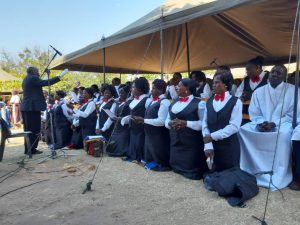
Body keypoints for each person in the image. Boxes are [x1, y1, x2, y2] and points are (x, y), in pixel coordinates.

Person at [239, 65, 294, 190]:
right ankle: (251, 169)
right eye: (273, 71)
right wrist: (261, 122)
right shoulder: (259, 91)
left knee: (283, 135)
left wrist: (274, 123)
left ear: (285, 76)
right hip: (261, 123)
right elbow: (254, 111)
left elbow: (292, 114)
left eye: (279, 73)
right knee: (243, 130)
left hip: (284, 123)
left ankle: (278, 173)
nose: (274, 74)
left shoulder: (293, 90)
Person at [165, 78, 208, 179]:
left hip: (191, 143)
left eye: (180, 86)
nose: (177, 87)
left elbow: (203, 124)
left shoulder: (200, 103)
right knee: (175, 166)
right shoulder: (174, 102)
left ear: (187, 89)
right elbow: (166, 120)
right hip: (175, 142)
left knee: (191, 168)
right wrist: (170, 123)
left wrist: (186, 123)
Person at [202, 70, 242, 172]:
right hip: (212, 147)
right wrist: (208, 144)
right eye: (213, 82)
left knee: (229, 179)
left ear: (226, 84)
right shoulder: (209, 101)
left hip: (229, 147)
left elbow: (234, 126)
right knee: (213, 174)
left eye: (216, 82)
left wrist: (213, 136)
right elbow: (205, 123)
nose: (213, 85)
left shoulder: (236, 102)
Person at [20, 67, 65, 155]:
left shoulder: (27, 79)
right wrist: (59, 76)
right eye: (37, 71)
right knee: (34, 129)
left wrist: (46, 74)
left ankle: (29, 149)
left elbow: (40, 81)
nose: (38, 72)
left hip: (28, 108)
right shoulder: (33, 78)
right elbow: (45, 82)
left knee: (29, 129)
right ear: (33, 72)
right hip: (31, 108)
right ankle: (31, 149)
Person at [134, 79, 171, 170]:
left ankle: (160, 164)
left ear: (161, 89)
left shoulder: (164, 102)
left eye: (153, 88)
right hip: (149, 134)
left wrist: (144, 120)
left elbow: (161, 121)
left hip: (158, 135)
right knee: (149, 155)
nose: (151, 90)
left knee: (158, 154)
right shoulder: (152, 101)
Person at [121, 77, 151, 162]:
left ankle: (139, 157)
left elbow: (149, 115)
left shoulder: (147, 100)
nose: (131, 89)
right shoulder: (133, 99)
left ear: (140, 89)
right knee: (133, 140)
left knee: (139, 142)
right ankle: (132, 155)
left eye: (133, 87)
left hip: (141, 127)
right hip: (133, 125)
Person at [235, 56, 269, 124]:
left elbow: (271, 95)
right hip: (246, 115)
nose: (247, 72)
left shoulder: (269, 77)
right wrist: (242, 95)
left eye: (248, 69)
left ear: (257, 67)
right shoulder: (246, 79)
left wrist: (252, 96)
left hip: (263, 116)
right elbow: (237, 93)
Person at [106, 84, 132, 157]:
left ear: (127, 93)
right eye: (119, 93)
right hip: (117, 124)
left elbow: (129, 116)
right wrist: (112, 117)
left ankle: (122, 152)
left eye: (122, 93)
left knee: (121, 142)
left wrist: (119, 119)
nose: (120, 94)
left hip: (124, 126)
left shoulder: (129, 103)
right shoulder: (118, 103)